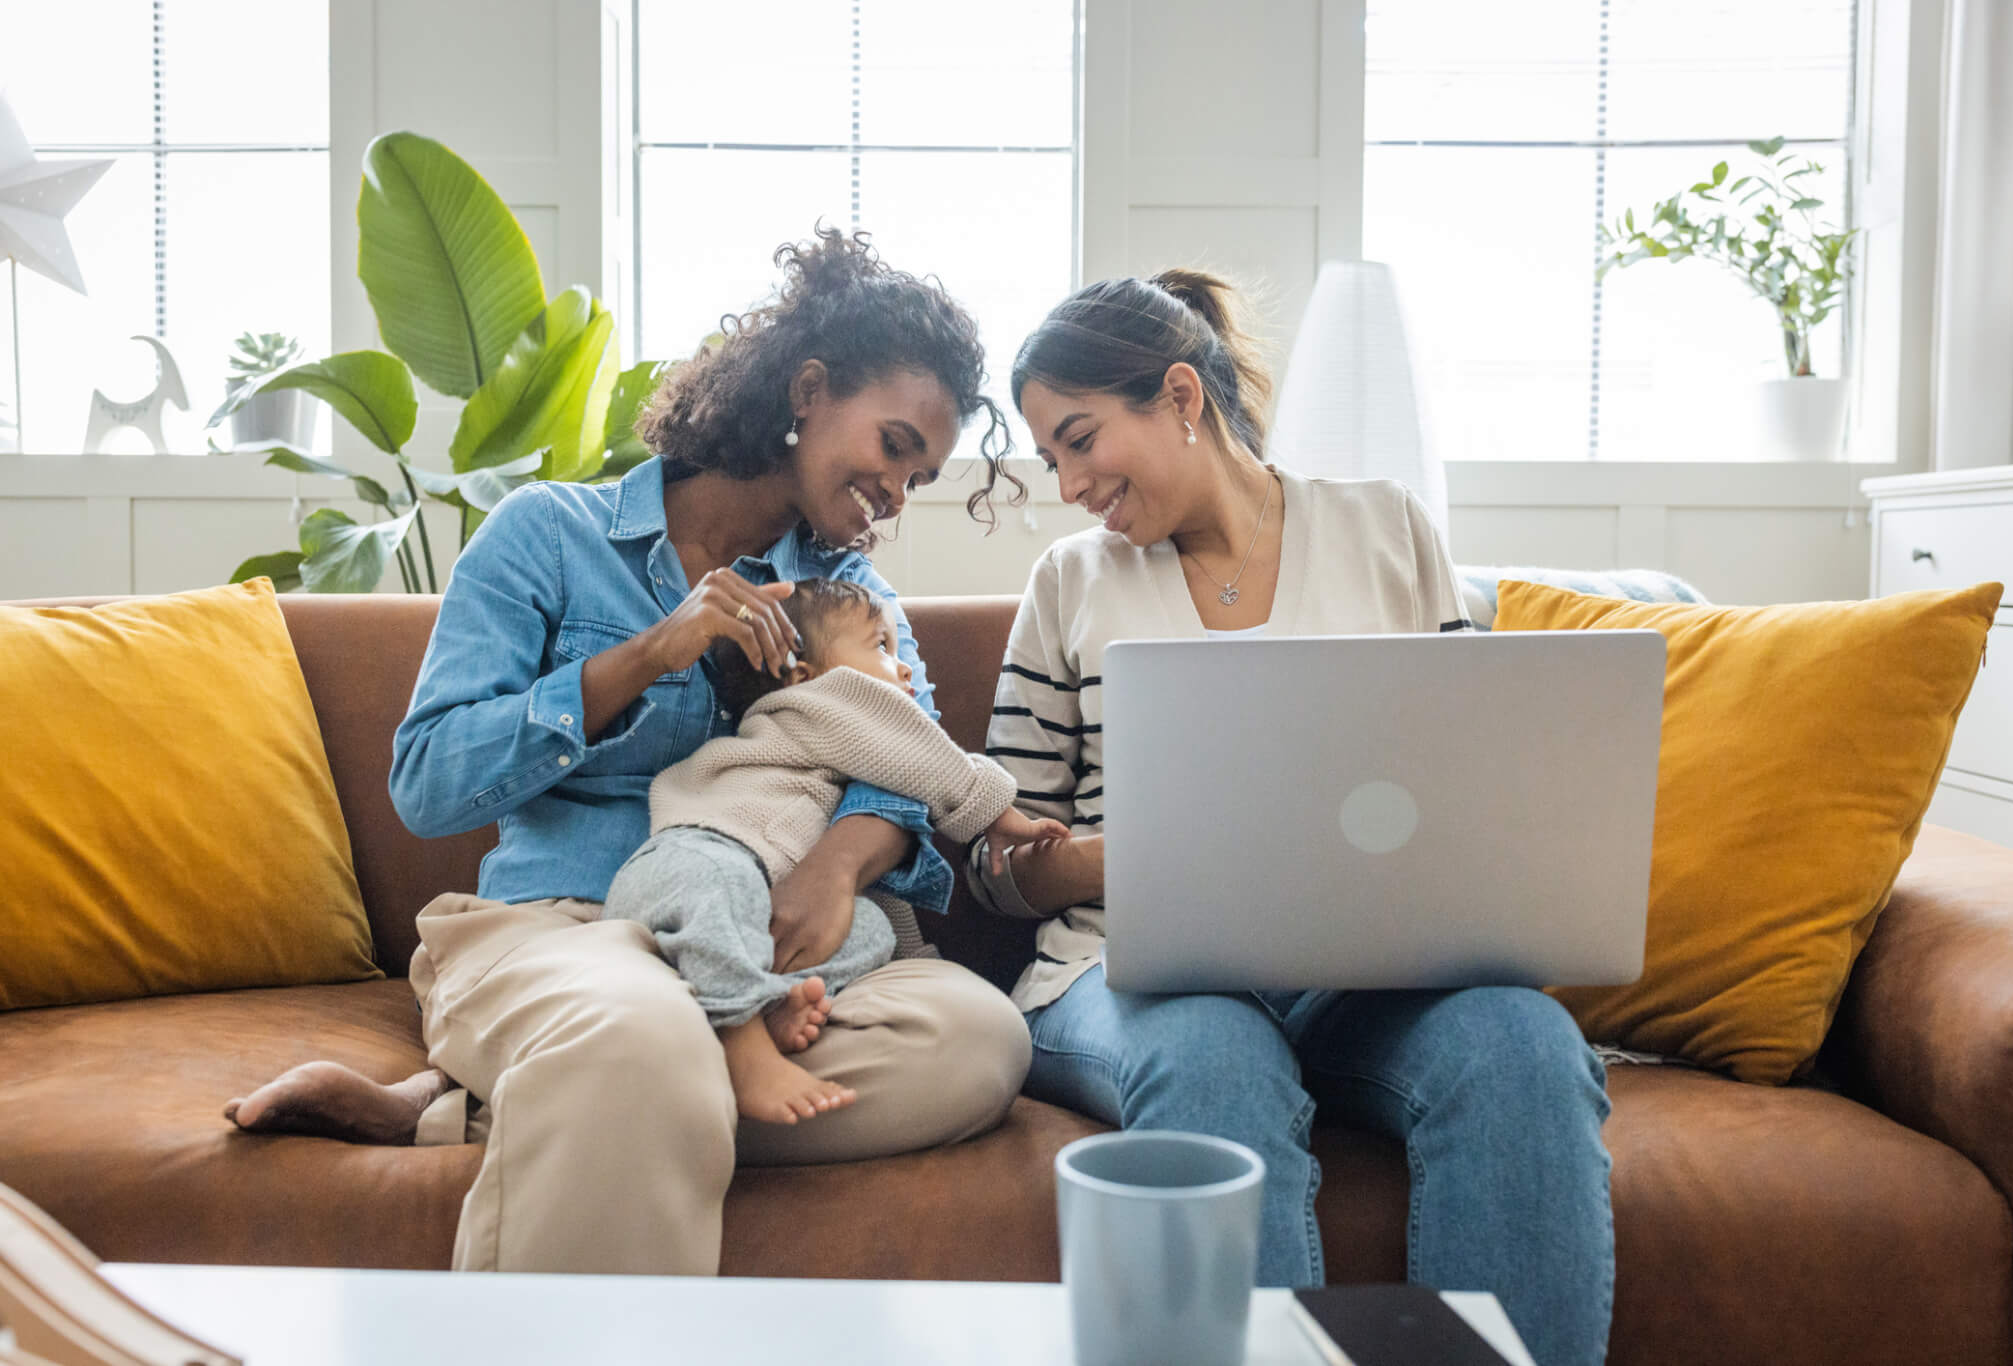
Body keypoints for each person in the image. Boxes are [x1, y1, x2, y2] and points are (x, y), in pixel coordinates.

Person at [224, 229, 1034, 1277]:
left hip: (766, 953)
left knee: (976, 1042)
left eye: (917, 474)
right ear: (807, 389)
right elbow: (427, 783)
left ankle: (485, 1107)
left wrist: (833, 872)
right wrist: (651, 654)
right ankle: (613, 1081)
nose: (894, 491)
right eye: (889, 446)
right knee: (637, 1042)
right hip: (560, 927)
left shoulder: (854, 602)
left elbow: (906, 770)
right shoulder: (546, 536)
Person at [964, 270, 1615, 1366]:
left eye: (1081, 439)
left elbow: (1471, 779)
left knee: (1522, 1044)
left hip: (1368, 980)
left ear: (1179, 396)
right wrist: (1107, 863)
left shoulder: (1385, 529)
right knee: (1213, 1054)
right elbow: (990, 858)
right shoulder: (1068, 581)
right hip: (1131, 975)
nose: (1071, 483)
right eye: (1051, 458)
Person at [601, 577, 1067, 1125]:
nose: (906, 667)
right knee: (719, 884)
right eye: (880, 647)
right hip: (692, 859)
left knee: (871, 930)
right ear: (804, 674)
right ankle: (742, 1045)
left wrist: (913, 956)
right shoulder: (813, 705)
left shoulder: (847, 751)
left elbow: (886, 884)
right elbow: (915, 750)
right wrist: (996, 811)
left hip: (757, 912)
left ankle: (768, 999)